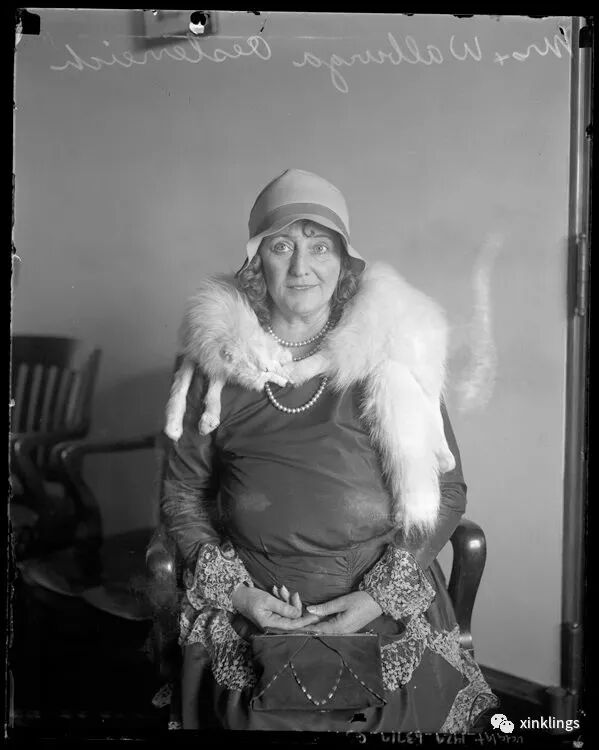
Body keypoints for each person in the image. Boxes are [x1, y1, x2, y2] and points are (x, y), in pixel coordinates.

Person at [159, 168, 498, 731]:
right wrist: (239, 595)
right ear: (255, 262)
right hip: (254, 597)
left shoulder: (392, 355)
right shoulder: (215, 368)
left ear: (344, 263)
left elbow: (447, 490)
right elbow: (183, 494)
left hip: (374, 595)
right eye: (281, 246)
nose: (301, 267)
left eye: (320, 247)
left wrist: (377, 598)